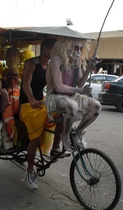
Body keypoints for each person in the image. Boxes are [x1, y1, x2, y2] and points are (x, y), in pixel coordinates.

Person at [45, 37, 102, 153]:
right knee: (73, 106)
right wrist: (81, 90)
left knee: (96, 106)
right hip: (55, 96)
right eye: (76, 47)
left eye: (81, 48)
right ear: (67, 46)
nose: (79, 51)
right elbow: (59, 87)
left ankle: (78, 132)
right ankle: (65, 136)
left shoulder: (77, 61)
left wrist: (89, 69)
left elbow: (79, 83)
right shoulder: (56, 60)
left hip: (70, 96)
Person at [19, 38, 57, 190]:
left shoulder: (49, 66)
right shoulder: (31, 63)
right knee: (34, 139)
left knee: (59, 116)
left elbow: (52, 87)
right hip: (28, 105)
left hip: (41, 104)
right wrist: (31, 99)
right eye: (53, 49)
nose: (54, 53)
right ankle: (29, 171)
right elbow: (26, 83)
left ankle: (54, 149)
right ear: (45, 48)